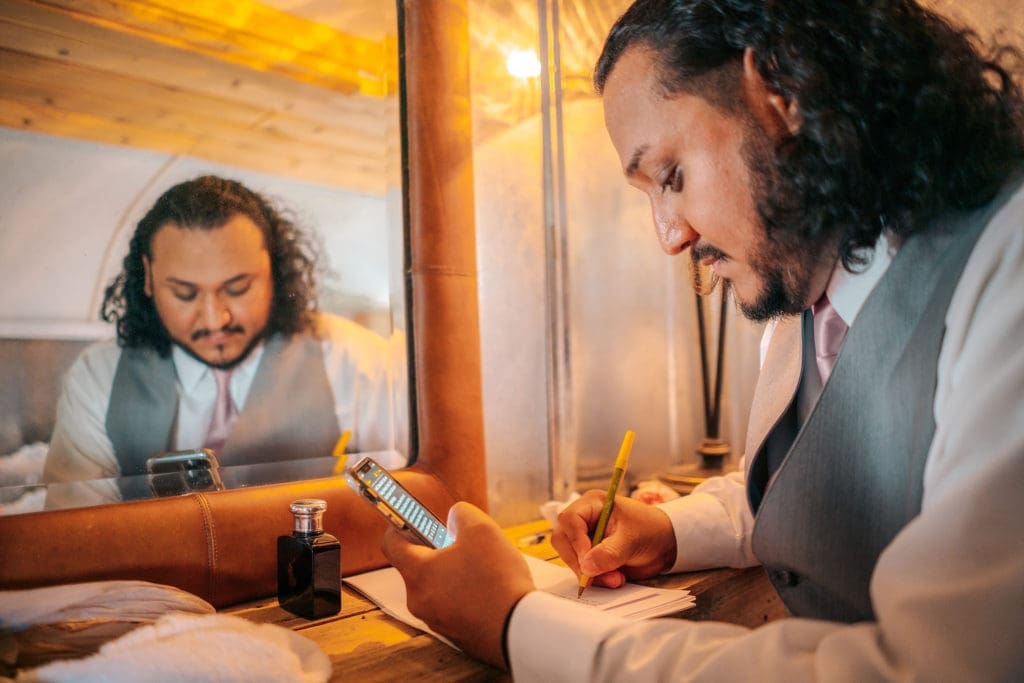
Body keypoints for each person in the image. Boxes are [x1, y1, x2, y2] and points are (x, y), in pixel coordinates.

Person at [381, 1, 1024, 680]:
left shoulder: (1006, 266)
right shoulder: (801, 300)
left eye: (671, 175)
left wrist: (517, 622)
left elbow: (934, 668)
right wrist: (668, 530)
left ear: (781, 90)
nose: (670, 237)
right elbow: (806, 488)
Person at [44, 175, 403, 497]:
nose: (216, 319)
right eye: (185, 294)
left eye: (238, 288)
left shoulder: (355, 361)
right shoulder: (98, 378)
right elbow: (73, 534)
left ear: (273, 271)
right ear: (148, 278)